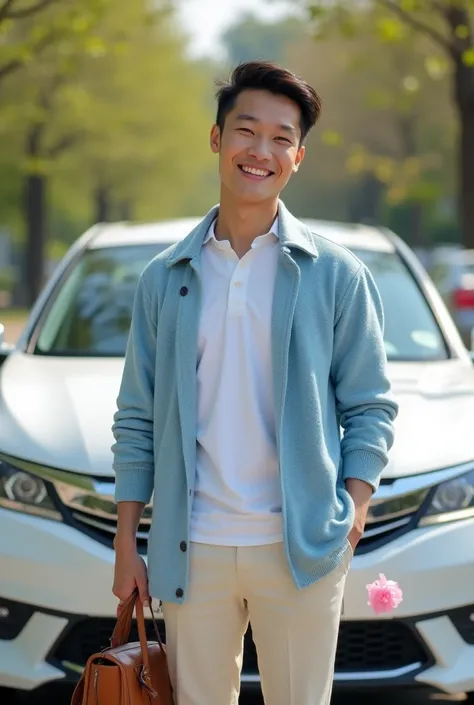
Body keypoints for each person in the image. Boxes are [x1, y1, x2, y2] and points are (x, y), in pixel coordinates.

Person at [111, 60, 398, 705]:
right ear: (217, 139)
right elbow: (136, 415)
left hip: (299, 549)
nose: (260, 151)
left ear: (298, 156)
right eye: (246, 131)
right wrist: (128, 544)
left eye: (281, 138)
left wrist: (350, 514)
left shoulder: (336, 276)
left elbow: (370, 406)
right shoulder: (165, 277)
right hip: (194, 548)